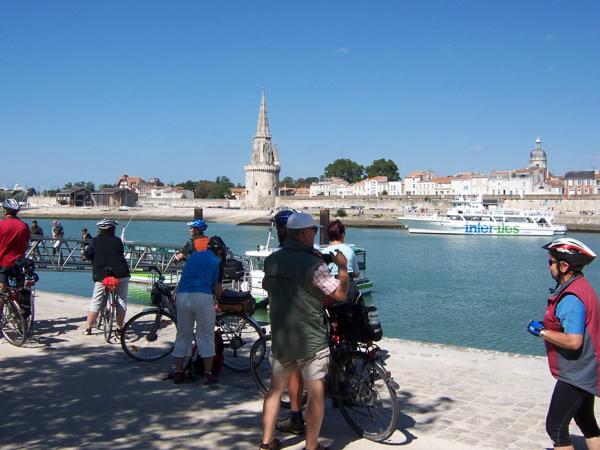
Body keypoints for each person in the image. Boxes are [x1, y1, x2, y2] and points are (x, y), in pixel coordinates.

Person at [260, 212, 349, 450]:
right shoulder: (314, 265)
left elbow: (266, 285)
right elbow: (339, 294)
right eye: (312, 231)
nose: (315, 234)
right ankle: (311, 446)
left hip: (282, 337)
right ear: (302, 234)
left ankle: (266, 442)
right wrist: (343, 269)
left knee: (275, 390)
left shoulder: (272, 260)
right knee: (316, 394)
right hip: (310, 340)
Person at [527, 238, 600, 450]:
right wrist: (550, 328)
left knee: (556, 427)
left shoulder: (571, 297)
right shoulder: (582, 286)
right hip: (588, 366)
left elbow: (574, 341)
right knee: (586, 420)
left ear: (564, 266)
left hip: (576, 372)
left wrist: (542, 332)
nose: (548, 267)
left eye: (551, 262)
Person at [171, 237, 221, 385]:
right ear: (218, 250)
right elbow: (217, 289)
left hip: (183, 295)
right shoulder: (215, 261)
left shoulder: (193, 256)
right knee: (205, 335)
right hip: (202, 296)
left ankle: (178, 371)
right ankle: (208, 373)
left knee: (183, 334)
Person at [82, 219, 130, 335]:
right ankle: (119, 328)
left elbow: (87, 255)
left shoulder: (95, 241)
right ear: (113, 229)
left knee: (96, 301)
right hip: (121, 273)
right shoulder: (118, 241)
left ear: (100, 229)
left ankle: (88, 327)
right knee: (121, 301)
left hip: (102, 275)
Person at [322, 219, 360, 302]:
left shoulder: (323, 252)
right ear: (342, 235)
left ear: (329, 236)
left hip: (331, 288)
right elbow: (356, 273)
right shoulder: (349, 250)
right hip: (349, 287)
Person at [0, 199, 30, 292]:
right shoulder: (24, 226)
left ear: (5, 211)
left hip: (3, 263)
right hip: (19, 263)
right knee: (20, 289)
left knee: (1, 291)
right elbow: (26, 245)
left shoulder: (1, 225)